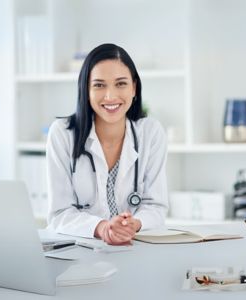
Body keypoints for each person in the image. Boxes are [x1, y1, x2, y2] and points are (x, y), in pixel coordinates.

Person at [46, 43, 168, 245]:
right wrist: (102, 228)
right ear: (85, 89)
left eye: (120, 84)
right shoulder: (62, 134)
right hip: (79, 252)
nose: (110, 96)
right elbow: (59, 213)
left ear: (134, 88)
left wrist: (134, 224)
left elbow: (156, 207)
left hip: (136, 249)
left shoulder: (151, 133)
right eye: (99, 85)